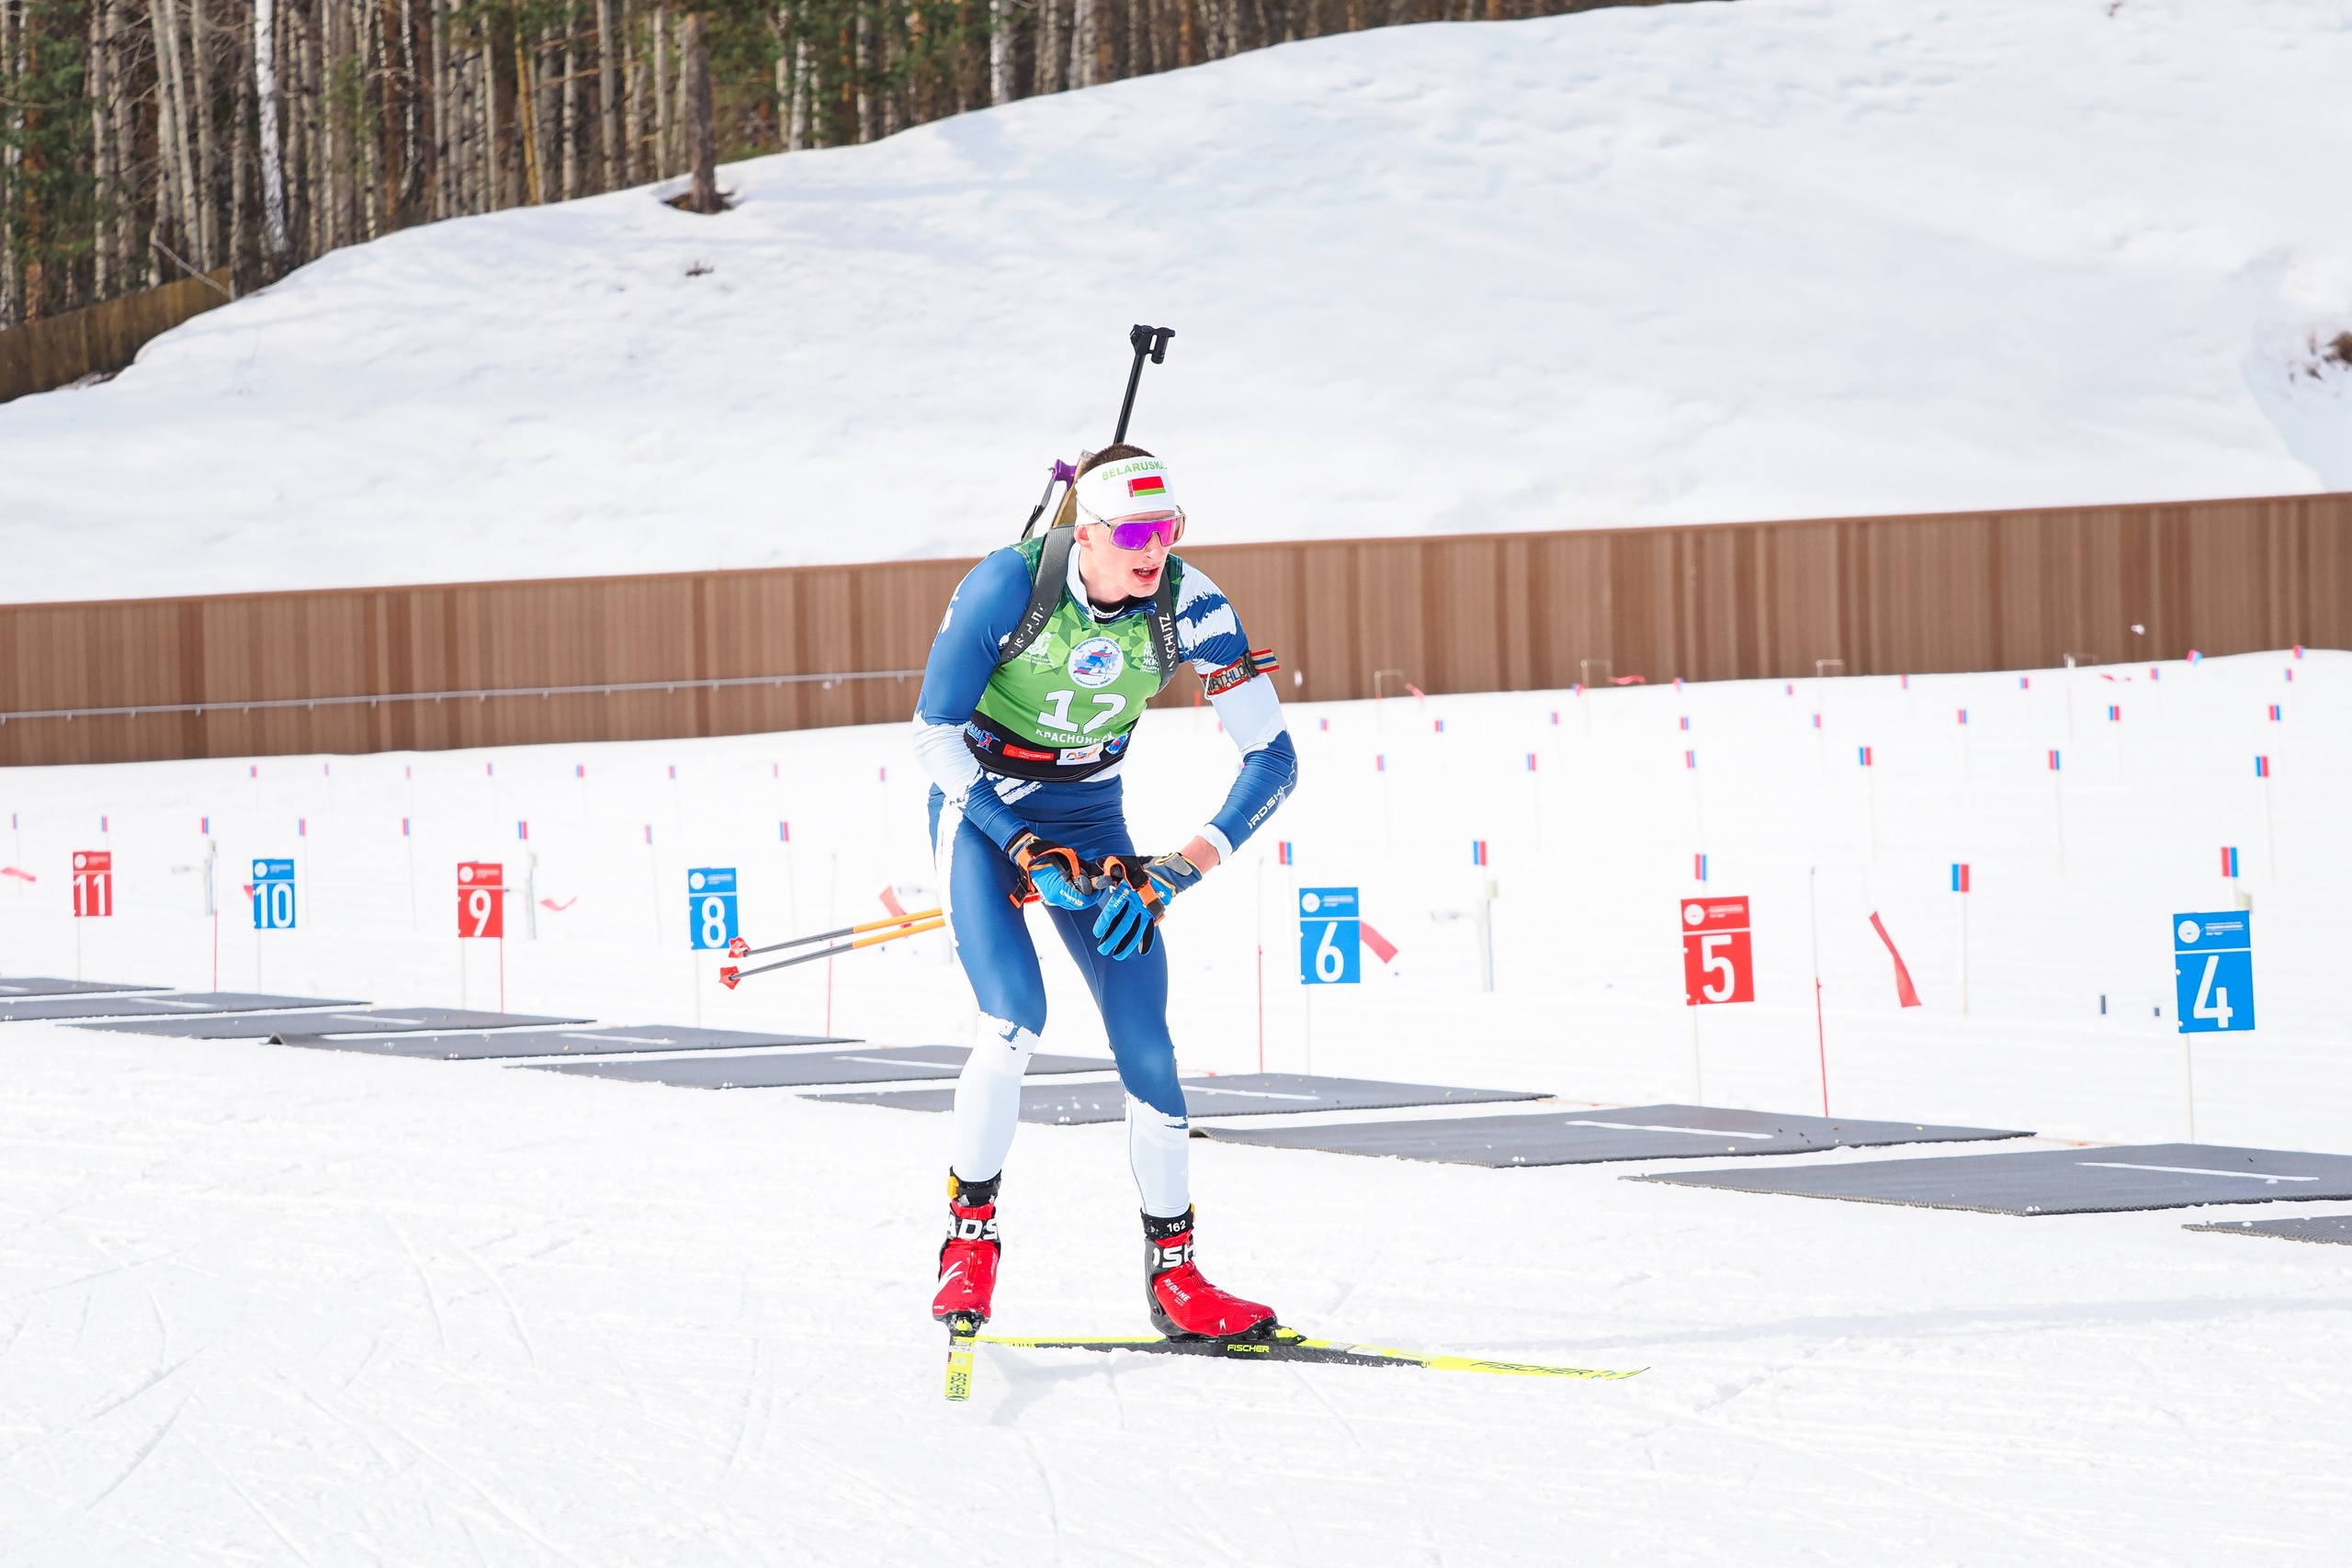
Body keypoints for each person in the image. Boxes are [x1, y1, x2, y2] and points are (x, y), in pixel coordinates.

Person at [910, 444, 1298, 1342]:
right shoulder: (1006, 589)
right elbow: (931, 736)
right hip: (983, 807)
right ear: (1082, 532)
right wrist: (1018, 845)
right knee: (1013, 1019)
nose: (1152, 549)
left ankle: (1177, 1277)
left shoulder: (1191, 605)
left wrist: (1174, 872)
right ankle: (969, 1244)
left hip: (1089, 818)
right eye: (1131, 531)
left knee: (1147, 1045)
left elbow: (1272, 756)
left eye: (1166, 529)